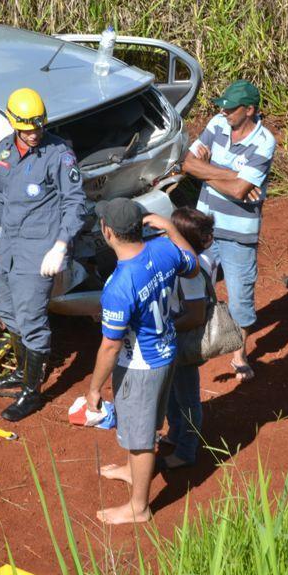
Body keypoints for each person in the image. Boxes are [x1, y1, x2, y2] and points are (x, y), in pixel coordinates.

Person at [84, 198, 198, 525]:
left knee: (142, 436)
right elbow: (191, 264)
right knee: (142, 423)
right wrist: (172, 228)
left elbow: (109, 346)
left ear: (108, 232)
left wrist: (94, 389)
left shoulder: (119, 286)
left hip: (140, 365)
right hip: (166, 351)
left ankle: (139, 507)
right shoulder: (163, 249)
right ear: (142, 225)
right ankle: (132, 470)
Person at [0, 87, 86, 422]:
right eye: (28, 129)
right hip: (10, 243)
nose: (35, 133)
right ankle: (23, 369)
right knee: (3, 307)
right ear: (14, 125)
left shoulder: (58, 155)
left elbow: (75, 204)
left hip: (39, 249)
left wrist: (60, 246)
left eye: (39, 126)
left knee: (31, 319)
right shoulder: (4, 152)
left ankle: (32, 391)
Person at [182, 79, 276, 382]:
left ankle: (239, 354)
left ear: (249, 110)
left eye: (230, 109)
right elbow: (186, 162)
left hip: (239, 233)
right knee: (193, 288)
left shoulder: (264, 141)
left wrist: (206, 173)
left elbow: (237, 191)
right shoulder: (218, 123)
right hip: (204, 227)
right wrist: (232, 175)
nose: (224, 113)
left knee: (240, 296)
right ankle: (197, 345)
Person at [161, 207, 218, 469]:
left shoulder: (190, 272)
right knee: (174, 392)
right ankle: (175, 433)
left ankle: (186, 451)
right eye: (207, 232)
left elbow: (194, 315)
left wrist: (165, 329)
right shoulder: (201, 259)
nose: (212, 237)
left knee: (187, 399)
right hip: (178, 338)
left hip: (183, 339)